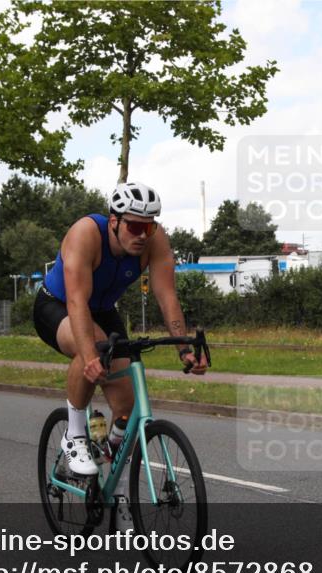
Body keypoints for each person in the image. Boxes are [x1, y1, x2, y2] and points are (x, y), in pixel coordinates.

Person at [33, 181, 208, 528]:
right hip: (57, 306)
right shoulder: (86, 234)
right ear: (114, 221)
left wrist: (184, 348)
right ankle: (75, 435)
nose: (143, 234)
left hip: (102, 310)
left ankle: (108, 465)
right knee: (93, 349)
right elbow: (76, 302)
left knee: (126, 406)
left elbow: (167, 295)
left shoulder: (155, 241)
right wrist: (90, 354)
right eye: (134, 225)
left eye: (150, 225)